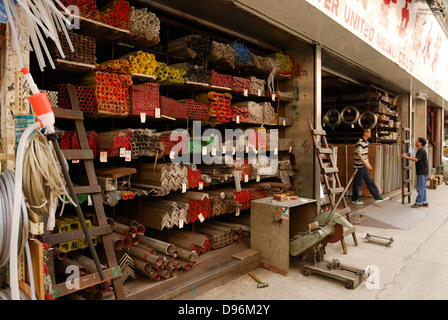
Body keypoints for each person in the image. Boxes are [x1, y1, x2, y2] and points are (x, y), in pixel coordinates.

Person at [352, 128, 389, 204]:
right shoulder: (360, 142)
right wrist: (366, 164)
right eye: (369, 132)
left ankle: (377, 197)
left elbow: (365, 155)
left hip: (363, 166)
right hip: (359, 166)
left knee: (369, 181)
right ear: (365, 133)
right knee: (358, 183)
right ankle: (355, 199)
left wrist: (367, 164)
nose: (370, 133)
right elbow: (359, 154)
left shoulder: (366, 142)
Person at [401, 137, 429, 208]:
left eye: (417, 141)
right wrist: (407, 155)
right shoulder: (420, 150)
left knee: (420, 187)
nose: (416, 142)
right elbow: (416, 157)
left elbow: (416, 159)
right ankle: (424, 202)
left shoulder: (421, 151)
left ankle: (418, 202)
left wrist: (406, 157)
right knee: (423, 187)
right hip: (423, 171)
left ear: (420, 143)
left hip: (422, 172)